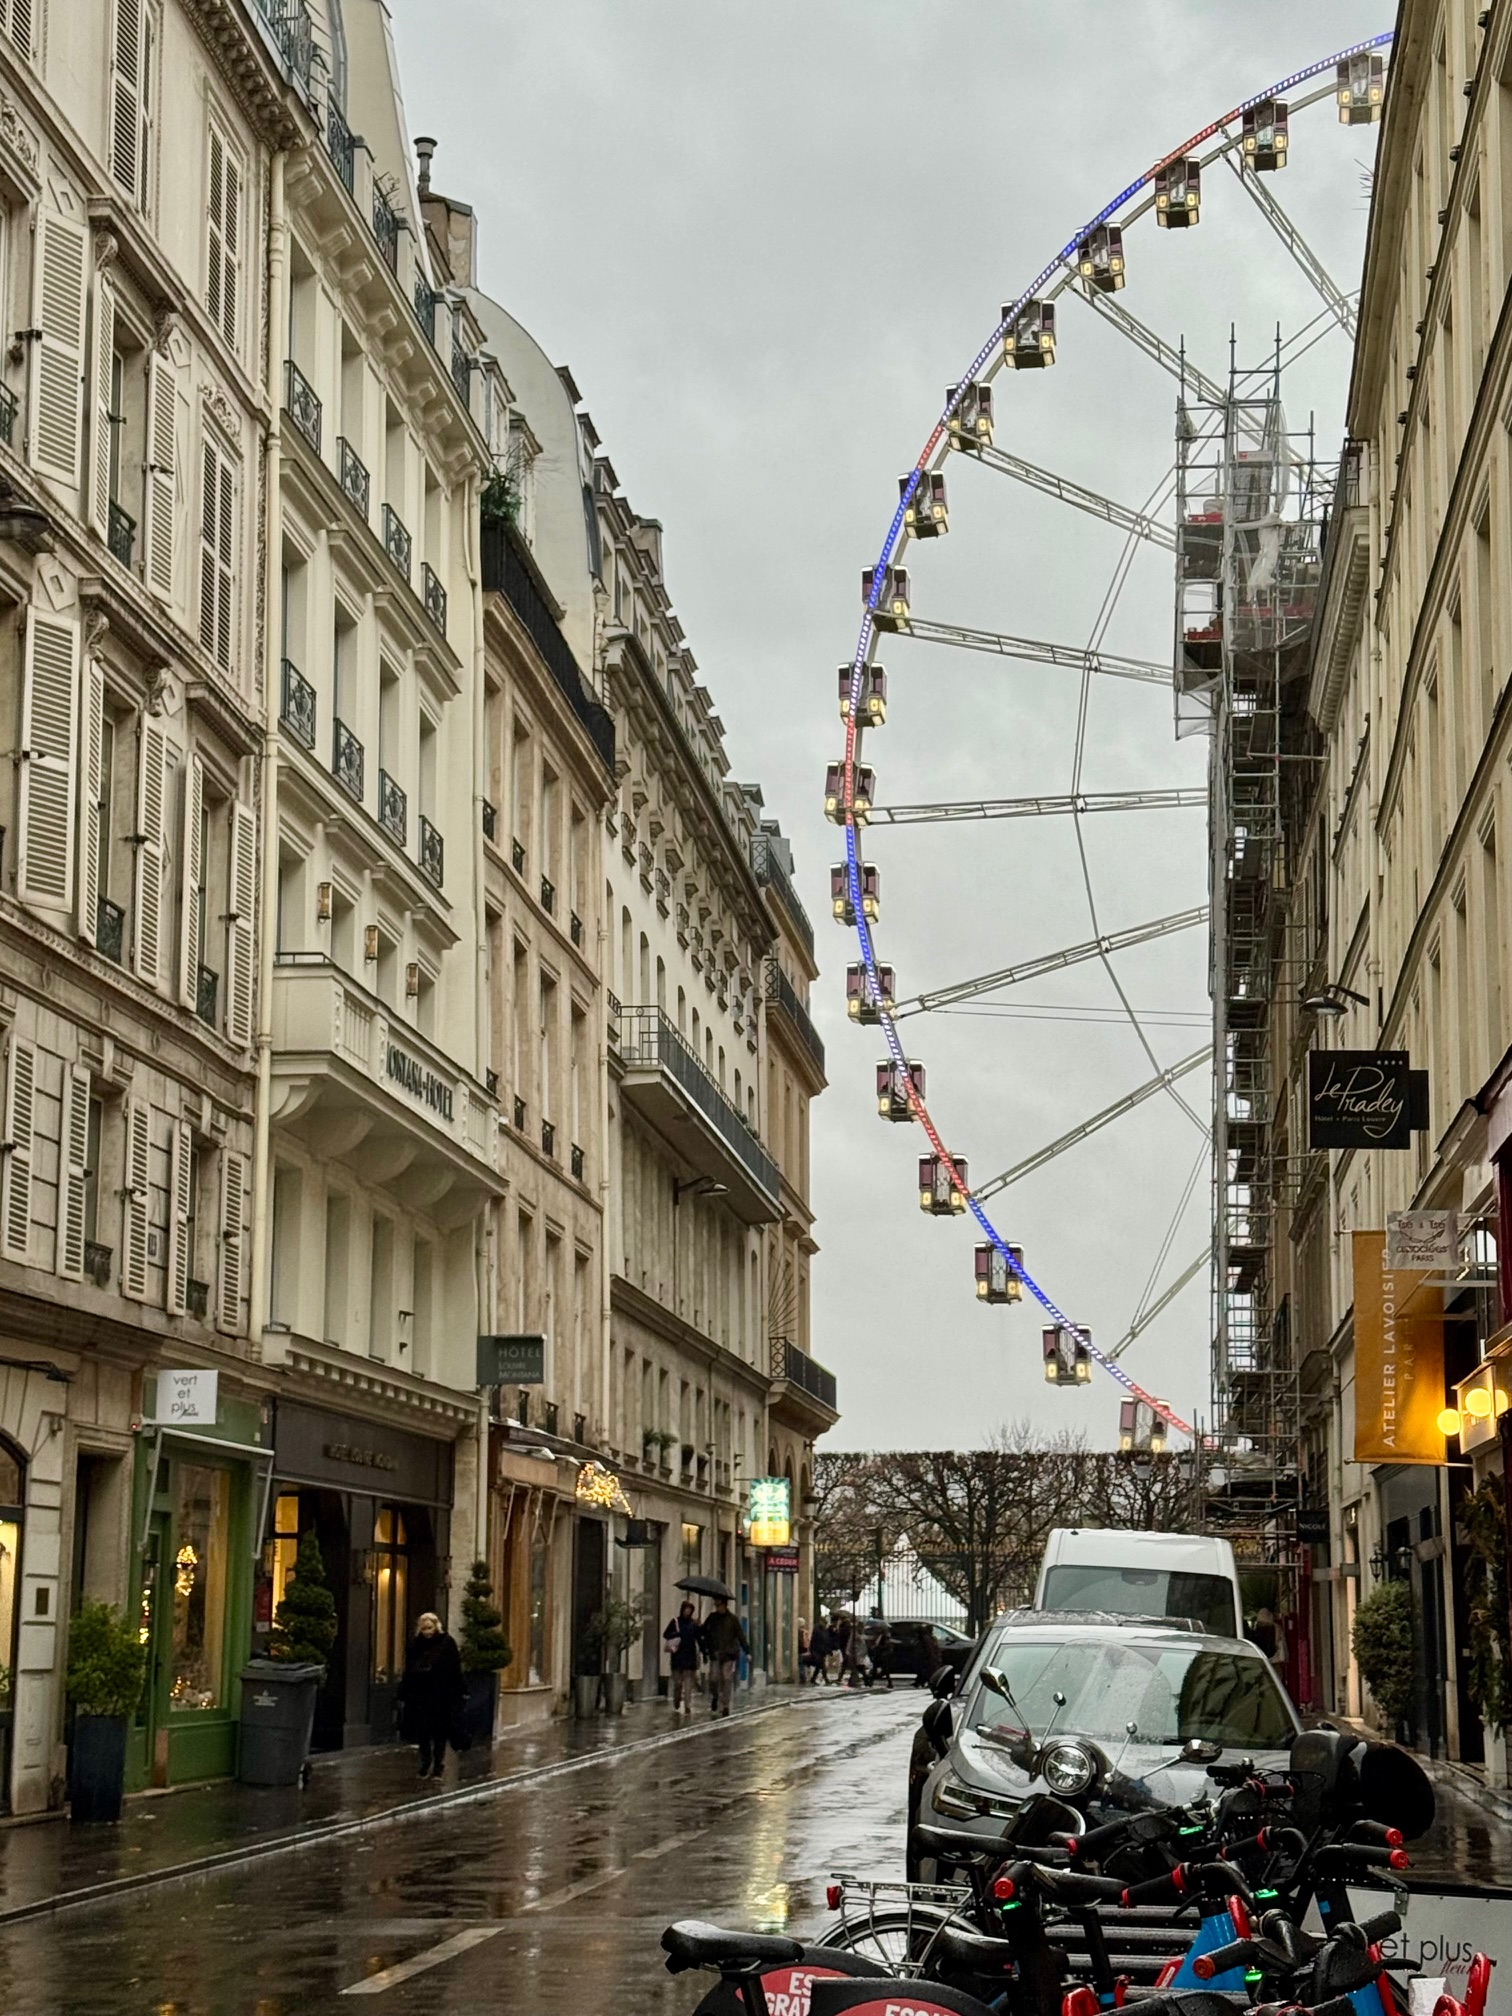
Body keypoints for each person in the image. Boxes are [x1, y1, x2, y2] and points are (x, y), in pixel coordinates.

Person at [397, 1610, 463, 1778]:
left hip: (441, 1695)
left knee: (440, 1731)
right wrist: (404, 1692)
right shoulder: (415, 1645)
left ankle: (438, 1764)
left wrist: (460, 1691)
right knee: (422, 1731)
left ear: (436, 1627)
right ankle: (426, 1762)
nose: (427, 1632)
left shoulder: (447, 1643)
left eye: (430, 1628)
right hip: (421, 1695)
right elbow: (409, 1671)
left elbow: (455, 1669)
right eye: (424, 1628)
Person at [699, 1592, 749, 1717]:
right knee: (713, 1679)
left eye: (719, 1605)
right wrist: (699, 1626)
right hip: (715, 1653)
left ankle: (725, 1705)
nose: (717, 1607)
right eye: (716, 1605)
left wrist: (747, 1651)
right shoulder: (712, 1617)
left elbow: (740, 1636)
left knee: (726, 1678)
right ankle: (715, 1696)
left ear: (725, 1605)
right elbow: (703, 1631)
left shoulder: (732, 1619)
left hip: (729, 1654)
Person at [664, 1600, 701, 1715]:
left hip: (690, 1656)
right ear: (682, 1609)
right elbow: (666, 1634)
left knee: (688, 1683)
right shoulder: (675, 1622)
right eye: (686, 1609)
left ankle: (688, 1705)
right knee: (678, 1683)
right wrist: (677, 1634)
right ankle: (677, 1700)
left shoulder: (694, 1624)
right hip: (677, 1657)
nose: (688, 1611)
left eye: (690, 1610)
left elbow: (699, 1638)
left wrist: (700, 1627)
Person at [915, 1624, 941, 1689]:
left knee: (928, 1671)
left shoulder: (926, 1638)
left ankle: (924, 1682)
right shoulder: (929, 1638)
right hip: (930, 1657)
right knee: (927, 1670)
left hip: (929, 1657)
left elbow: (929, 1649)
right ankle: (921, 1682)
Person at [871, 1621, 894, 1691]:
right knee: (875, 1668)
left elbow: (886, 1645)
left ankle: (890, 1682)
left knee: (884, 1669)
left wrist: (877, 1647)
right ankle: (871, 1681)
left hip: (883, 1654)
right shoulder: (879, 1635)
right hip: (879, 1653)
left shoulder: (886, 1635)